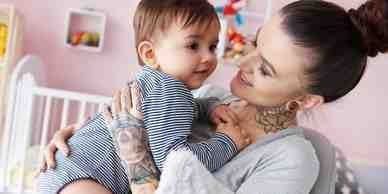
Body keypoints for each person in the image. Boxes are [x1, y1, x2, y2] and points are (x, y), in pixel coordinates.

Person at [38, 0, 388, 193]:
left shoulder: (293, 160)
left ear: (308, 99)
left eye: (265, 69)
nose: (242, 61)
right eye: (254, 42)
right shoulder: (209, 96)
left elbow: (151, 152)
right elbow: (138, 120)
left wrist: (137, 162)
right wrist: (80, 142)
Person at [101, 0, 250, 191]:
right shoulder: (169, 88)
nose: (209, 57)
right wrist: (225, 143)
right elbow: (175, 161)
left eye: (212, 46)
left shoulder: (156, 83)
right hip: (86, 177)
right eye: (193, 46)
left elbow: (180, 110)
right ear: (150, 54)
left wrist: (208, 108)